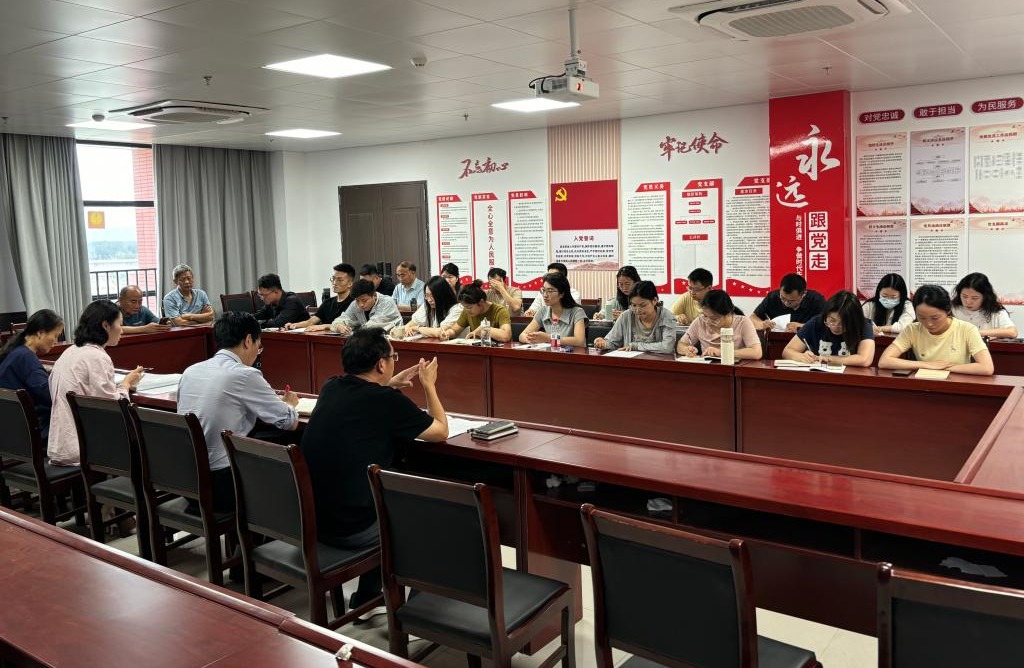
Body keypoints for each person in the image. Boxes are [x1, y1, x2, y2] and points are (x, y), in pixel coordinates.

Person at [301, 327, 447, 616]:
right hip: (353, 530)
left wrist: (388, 384)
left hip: (315, 522)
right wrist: (429, 385)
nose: (393, 362)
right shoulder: (386, 401)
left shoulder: (331, 386)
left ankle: (368, 597)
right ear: (381, 364)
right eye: (393, 357)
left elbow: (364, 398)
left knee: (374, 493)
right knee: (429, 515)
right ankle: (420, 613)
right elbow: (440, 431)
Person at [177, 312, 300, 514]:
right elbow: (289, 422)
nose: (258, 352)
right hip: (223, 487)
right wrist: (290, 404)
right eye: (259, 346)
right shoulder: (244, 374)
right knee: (294, 448)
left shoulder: (191, 371)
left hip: (187, 483)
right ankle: (277, 524)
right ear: (248, 340)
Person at [47, 301, 144, 466]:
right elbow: (112, 406)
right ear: (106, 325)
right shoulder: (96, 356)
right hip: (83, 448)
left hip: (60, 444)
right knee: (145, 439)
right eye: (119, 324)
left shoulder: (70, 351)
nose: (122, 330)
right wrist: (126, 384)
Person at [879, 284, 994, 376]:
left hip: (957, 384)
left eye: (935, 318)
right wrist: (926, 365)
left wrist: (944, 367)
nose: (929, 324)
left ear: (948, 310)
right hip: (925, 384)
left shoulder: (967, 329)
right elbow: (884, 361)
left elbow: (987, 367)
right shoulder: (912, 330)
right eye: (922, 317)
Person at [0, 309, 64, 437]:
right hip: (30, 430)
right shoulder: (25, 357)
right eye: (55, 336)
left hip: (10, 427)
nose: (56, 341)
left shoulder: (16, 351)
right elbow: (49, 395)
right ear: (40, 333)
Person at [782, 291, 874, 367]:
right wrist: (801, 357)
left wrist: (828, 359)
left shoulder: (863, 325)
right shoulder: (816, 322)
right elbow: (787, 351)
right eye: (832, 320)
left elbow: (865, 359)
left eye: (843, 323)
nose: (835, 326)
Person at [594, 281, 677, 354]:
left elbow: (667, 347)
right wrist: (603, 343)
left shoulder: (666, 317)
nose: (637, 310)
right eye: (633, 305)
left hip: (658, 363)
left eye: (642, 305)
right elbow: (613, 343)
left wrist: (636, 346)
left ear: (654, 301)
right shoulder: (626, 316)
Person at [677, 290, 762, 359]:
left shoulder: (743, 322)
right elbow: (681, 345)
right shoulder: (700, 321)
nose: (708, 321)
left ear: (728, 313)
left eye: (714, 318)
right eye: (705, 316)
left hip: (735, 369)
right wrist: (687, 350)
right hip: (708, 368)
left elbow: (756, 352)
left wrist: (723, 352)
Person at [519, 273, 588, 347]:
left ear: (562, 293)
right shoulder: (543, 311)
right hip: (551, 352)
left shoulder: (577, 312)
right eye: (543, 290)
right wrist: (532, 340)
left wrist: (549, 338)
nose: (545, 295)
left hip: (573, 353)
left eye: (550, 291)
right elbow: (522, 336)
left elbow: (579, 341)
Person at [283, 263, 356, 332]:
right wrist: (295, 325)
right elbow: (311, 322)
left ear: (350, 283)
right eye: (333, 279)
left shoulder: (355, 303)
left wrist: (324, 326)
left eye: (340, 280)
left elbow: (350, 326)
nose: (334, 283)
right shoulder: (327, 303)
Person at [392, 276, 463, 339]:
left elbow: (440, 331)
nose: (429, 300)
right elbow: (411, 324)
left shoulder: (457, 309)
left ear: (442, 294)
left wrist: (417, 328)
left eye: (432, 296)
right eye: (426, 295)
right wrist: (404, 329)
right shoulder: (427, 306)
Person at [750, 273, 826, 332]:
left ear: (804, 294)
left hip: (807, 342)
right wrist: (762, 324)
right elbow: (753, 318)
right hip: (776, 341)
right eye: (783, 298)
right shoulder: (772, 297)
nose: (786, 303)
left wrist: (802, 327)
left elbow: (826, 325)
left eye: (791, 301)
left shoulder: (816, 300)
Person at [952, 272, 1018, 339]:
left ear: (985, 297)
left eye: (974, 298)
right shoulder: (953, 309)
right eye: (964, 296)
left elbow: (1012, 332)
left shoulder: (995, 311)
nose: (968, 302)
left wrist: (975, 332)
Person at [441, 280, 512, 342]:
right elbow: (455, 330)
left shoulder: (500, 311)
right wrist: (447, 333)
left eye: (469, 307)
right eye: (465, 307)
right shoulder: (467, 311)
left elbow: (506, 336)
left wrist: (484, 329)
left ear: (481, 302)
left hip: (499, 350)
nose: (467, 310)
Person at [332, 279, 403, 334]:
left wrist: (355, 330)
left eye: (364, 300)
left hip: (394, 340)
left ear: (374, 295)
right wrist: (339, 326)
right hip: (369, 342)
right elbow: (341, 319)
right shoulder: (355, 304)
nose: (360, 304)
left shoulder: (387, 302)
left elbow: (373, 326)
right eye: (357, 300)